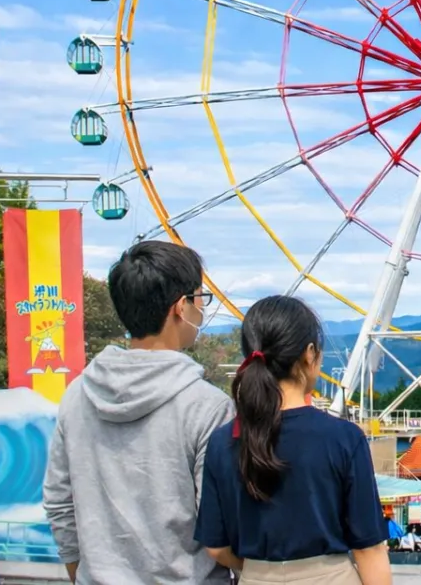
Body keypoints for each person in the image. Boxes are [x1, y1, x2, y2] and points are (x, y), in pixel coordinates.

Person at [44, 241, 234, 585]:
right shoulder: (207, 406)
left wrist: (81, 573)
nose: (202, 312)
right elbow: (218, 522)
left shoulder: (76, 396)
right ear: (181, 307)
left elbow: (59, 501)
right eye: (200, 299)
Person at [193, 295, 390, 585]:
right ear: (310, 354)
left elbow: (216, 547)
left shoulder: (224, 441)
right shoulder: (344, 438)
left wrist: (253, 570)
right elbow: (369, 549)